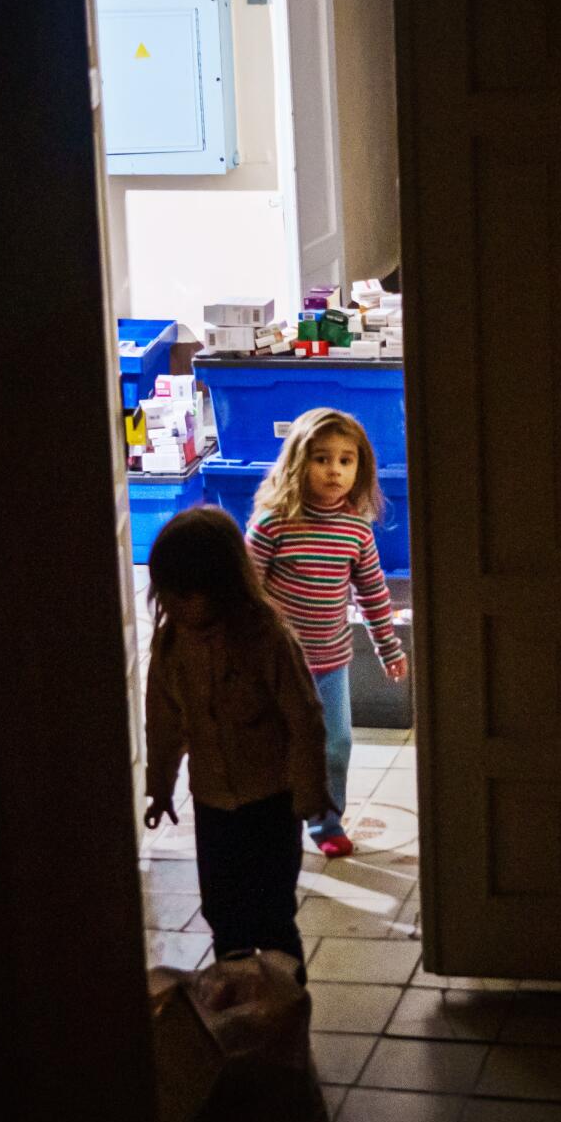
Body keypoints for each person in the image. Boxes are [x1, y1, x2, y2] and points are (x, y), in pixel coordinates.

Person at [144, 505, 331, 976]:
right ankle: (238, 997)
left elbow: (304, 718)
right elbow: (163, 723)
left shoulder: (265, 636)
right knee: (224, 913)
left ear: (226, 586)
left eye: (194, 595)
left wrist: (309, 789)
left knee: (271, 913)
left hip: (271, 798)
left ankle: (285, 1002)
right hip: (211, 802)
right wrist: (160, 785)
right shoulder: (170, 646)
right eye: (174, 596)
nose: (184, 608)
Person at [246, 408, 407, 858]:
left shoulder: (356, 528)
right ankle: (274, 824)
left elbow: (372, 592)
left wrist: (388, 646)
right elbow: (245, 587)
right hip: (275, 664)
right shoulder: (274, 522)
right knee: (276, 746)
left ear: (361, 468)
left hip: (330, 663)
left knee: (335, 744)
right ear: (299, 464)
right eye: (322, 459)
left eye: (346, 460)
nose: (335, 470)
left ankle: (326, 821)